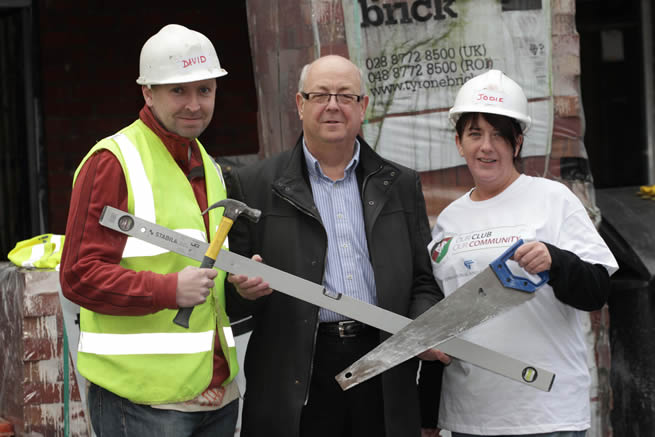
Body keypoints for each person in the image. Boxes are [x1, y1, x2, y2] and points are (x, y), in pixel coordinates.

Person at [224, 54, 449, 437]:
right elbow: (232, 302)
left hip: (383, 363)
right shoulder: (254, 185)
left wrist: (419, 327)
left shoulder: (399, 184)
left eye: (345, 96)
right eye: (320, 95)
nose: (333, 106)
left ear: (362, 107)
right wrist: (241, 289)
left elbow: (424, 282)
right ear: (300, 104)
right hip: (298, 373)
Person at [59, 24, 240, 436]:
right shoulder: (113, 160)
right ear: (147, 93)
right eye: (178, 91)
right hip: (143, 403)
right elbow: (78, 276)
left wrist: (242, 281)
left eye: (205, 90)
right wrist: (169, 291)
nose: (194, 105)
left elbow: (199, 263)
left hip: (216, 393)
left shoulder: (208, 165)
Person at [424, 69, 619, 436]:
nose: (486, 146)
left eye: (499, 135)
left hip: (548, 415)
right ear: (459, 142)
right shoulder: (449, 221)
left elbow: (596, 291)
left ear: (517, 143)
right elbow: (442, 319)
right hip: (469, 417)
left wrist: (556, 260)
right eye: (475, 134)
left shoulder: (553, 199)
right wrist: (427, 417)